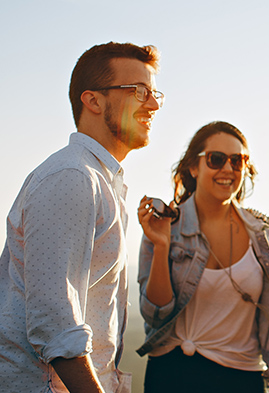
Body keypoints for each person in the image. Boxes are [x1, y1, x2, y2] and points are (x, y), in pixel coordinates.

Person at [0, 42, 162, 392]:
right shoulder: (73, 176)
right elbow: (56, 325)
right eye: (139, 91)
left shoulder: (99, 180)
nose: (153, 103)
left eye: (154, 93)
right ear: (93, 100)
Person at [136, 121, 269, 393]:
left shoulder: (261, 232)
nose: (227, 169)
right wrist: (161, 245)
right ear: (193, 167)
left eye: (238, 160)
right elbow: (155, 315)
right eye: (216, 159)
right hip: (171, 376)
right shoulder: (165, 226)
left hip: (241, 380)